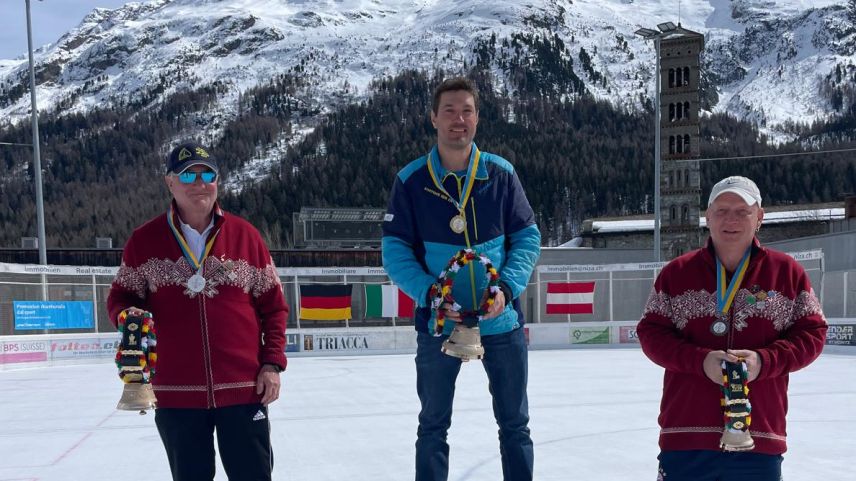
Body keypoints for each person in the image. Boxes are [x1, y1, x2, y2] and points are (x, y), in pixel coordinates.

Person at [382, 77, 541, 481]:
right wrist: (431, 293)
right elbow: (395, 252)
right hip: (439, 324)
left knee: (515, 425)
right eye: (449, 110)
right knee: (433, 425)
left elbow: (527, 238)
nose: (459, 119)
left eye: (467, 110)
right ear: (433, 118)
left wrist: (505, 289)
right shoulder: (411, 180)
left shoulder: (501, 174)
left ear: (477, 119)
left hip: (500, 323)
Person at [107, 141, 288, 481]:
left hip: (244, 388)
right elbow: (122, 297)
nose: (199, 183)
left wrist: (272, 363)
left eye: (208, 174)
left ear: (217, 181)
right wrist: (130, 319)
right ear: (169, 183)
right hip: (176, 393)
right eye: (188, 175)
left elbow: (274, 306)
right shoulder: (144, 241)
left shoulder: (246, 235)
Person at [637, 175, 828, 481]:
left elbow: (813, 334)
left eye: (743, 211)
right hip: (685, 436)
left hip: (760, 438)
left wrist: (764, 362)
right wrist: (699, 361)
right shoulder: (676, 274)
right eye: (722, 210)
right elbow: (651, 333)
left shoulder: (787, 273)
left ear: (759, 217)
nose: (732, 220)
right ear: (708, 216)